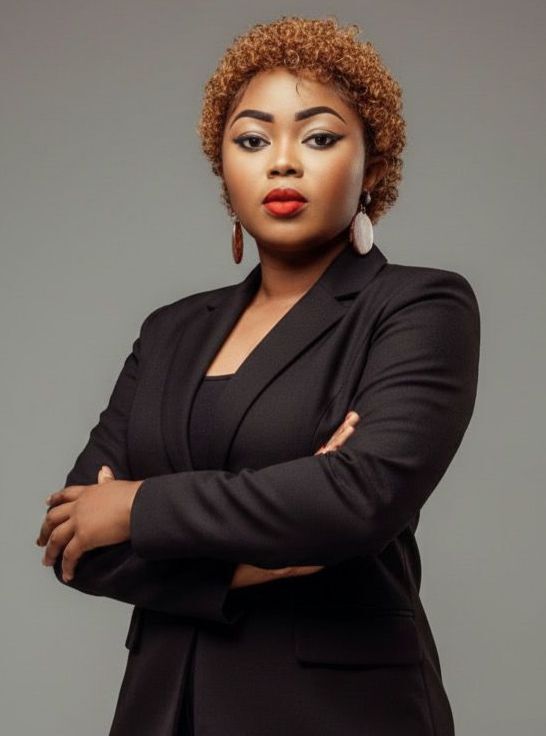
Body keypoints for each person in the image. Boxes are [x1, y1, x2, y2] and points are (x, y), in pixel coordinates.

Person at [35, 16, 480, 736]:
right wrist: (264, 561)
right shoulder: (170, 330)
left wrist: (136, 506)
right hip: (161, 709)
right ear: (224, 170)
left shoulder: (418, 306)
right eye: (252, 140)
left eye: (319, 138)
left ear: (373, 165)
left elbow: (356, 500)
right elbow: (75, 542)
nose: (282, 163)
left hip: (335, 714)